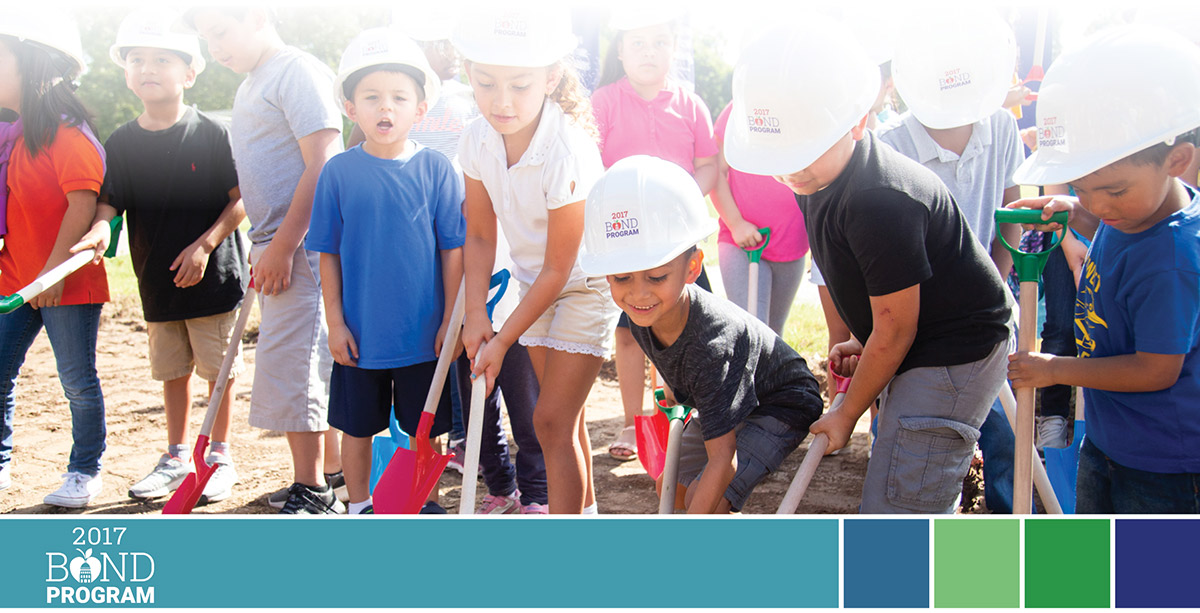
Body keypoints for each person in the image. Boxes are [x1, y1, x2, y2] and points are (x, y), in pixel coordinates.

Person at [726, 19, 1014, 514]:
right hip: (917, 332)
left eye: (803, 151)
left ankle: (916, 584)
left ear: (857, 122)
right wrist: (864, 336)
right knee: (894, 481)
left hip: (954, 349)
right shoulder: (815, 178)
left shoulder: (880, 201)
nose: (790, 168)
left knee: (905, 497)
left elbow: (898, 326)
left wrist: (846, 415)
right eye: (778, 154)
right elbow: (884, 290)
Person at [1007, 25, 1200, 514]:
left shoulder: (1171, 261)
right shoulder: (1136, 209)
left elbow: (1157, 368)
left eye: (1111, 190)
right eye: (1082, 184)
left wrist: (1056, 369)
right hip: (1114, 438)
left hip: (1165, 464)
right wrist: (1077, 209)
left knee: (1154, 585)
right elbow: (1113, 213)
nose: (1099, 202)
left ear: (1176, 160)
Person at [72, 8, 248, 504]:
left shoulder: (212, 134)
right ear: (126, 73)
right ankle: (175, 455)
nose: (147, 68)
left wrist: (205, 245)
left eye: (162, 60)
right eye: (137, 60)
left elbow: (241, 200)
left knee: (218, 371)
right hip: (156, 278)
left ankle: (217, 455)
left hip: (213, 279)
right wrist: (98, 229)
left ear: (189, 73)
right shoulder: (121, 143)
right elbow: (110, 202)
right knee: (172, 370)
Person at [581, 155, 823, 513]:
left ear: (692, 267)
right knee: (669, 487)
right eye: (622, 278)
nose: (638, 294)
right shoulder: (643, 312)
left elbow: (724, 462)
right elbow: (664, 357)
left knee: (706, 500)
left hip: (776, 403)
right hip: (726, 393)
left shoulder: (711, 347)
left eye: (656, 277)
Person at [453, 7, 620, 514]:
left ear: (550, 78)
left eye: (519, 85)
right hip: (536, 282)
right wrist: (477, 313)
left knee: (548, 420)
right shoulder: (476, 138)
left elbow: (560, 265)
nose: (501, 101)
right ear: (468, 75)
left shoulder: (564, 149)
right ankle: (587, 522)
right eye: (486, 83)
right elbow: (480, 235)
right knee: (564, 420)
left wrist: (503, 339)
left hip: (584, 283)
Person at [185, 6, 345, 514]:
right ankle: (333, 477)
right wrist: (267, 244)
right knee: (295, 363)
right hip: (274, 243)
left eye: (221, 32)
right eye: (207, 39)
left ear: (256, 15)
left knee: (298, 365)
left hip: (302, 246)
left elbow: (323, 160)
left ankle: (313, 488)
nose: (215, 48)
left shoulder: (296, 70)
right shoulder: (251, 82)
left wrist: (282, 245)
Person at [307, 29, 463, 515]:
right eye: (371, 97)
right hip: (359, 336)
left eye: (399, 97)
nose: (385, 108)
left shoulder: (437, 169)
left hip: (424, 338)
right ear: (351, 108)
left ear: (421, 107)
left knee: (427, 429)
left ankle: (422, 506)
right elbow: (326, 252)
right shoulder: (337, 172)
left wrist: (450, 323)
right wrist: (335, 322)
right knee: (357, 427)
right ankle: (360, 506)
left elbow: (453, 251)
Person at [879, 9, 1024, 513]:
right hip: (914, 323)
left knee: (1005, 434)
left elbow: (1010, 212)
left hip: (984, 320)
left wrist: (996, 281)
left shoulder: (1002, 125)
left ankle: (1006, 526)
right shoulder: (888, 147)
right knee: (903, 446)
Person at [590, 9, 719, 462]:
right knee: (629, 333)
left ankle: (676, 421)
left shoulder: (690, 103)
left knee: (680, 332)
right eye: (638, 43)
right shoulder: (603, 102)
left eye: (659, 42)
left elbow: (708, 165)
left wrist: (680, 204)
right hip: (622, 237)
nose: (648, 52)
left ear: (674, 49)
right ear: (621, 50)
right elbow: (591, 166)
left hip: (675, 240)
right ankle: (631, 422)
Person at [0, 12, 110, 507]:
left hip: (64, 279)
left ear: (33, 64)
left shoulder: (68, 134)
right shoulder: (21, 135)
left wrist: (49, 276)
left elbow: (82, 205)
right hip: (18, 279)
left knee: (76, 381)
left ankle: (85, 471)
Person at [711, 100, 808, 336]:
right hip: (742, 241)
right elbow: (716, 171)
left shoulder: (803, 106)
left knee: (774, 334)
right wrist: (736, 224)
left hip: (791, 243)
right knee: (752, 331)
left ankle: (772, 375)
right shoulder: (738, 110)